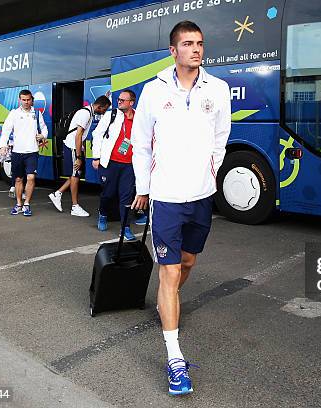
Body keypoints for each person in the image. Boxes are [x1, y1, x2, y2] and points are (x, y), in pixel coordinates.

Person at [130, 20, 231, 395]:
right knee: (169, 272)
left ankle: (167, 299)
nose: (196, 49)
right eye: (188, 44)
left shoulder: (218, 89)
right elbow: (141, 143)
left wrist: (212, 171)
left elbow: (222, 136)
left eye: (200, 43)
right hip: (167, 197)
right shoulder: (153, 92)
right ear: (173, 51)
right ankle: (175, 358)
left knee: (187, 263)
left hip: (202, 195)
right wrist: (144, 188)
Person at [92, 89, 142, 240]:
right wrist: (96, 157)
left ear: (131, 102)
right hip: (110, 163)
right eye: (119, 99)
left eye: (122, 100)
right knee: (108, 193)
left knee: (126, 196)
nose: (119, 102)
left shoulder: (139, 117)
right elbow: (97, 134)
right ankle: (103, 214)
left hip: (129, 165)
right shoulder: (111, 115)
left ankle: (125, 227)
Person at [48, 96, 111, 216]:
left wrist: (82, 149)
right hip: (72, 146)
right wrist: (78, 157)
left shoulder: (88, 112)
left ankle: (58, 194)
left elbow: (80, 136)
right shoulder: (85, 114)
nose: (104, 112)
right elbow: (78, 135)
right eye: (104, 109)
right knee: (76, 176)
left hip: (75, 146)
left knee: (75, 174)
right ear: (99, 106)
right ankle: (74, 206)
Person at [0, 89, 47, 216]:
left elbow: (44, 128)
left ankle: (27, 204)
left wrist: (43, 135)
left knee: (31, 177)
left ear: (32, 100)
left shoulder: (37, 113)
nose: (26, 102)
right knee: (18, 179)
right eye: (23, 100)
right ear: (20, 100)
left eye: (28, 100)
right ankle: (19, 204)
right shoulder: (13, 113)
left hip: (32, 151)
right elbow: (6, 130)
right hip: (17, 152)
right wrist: (3, 145)